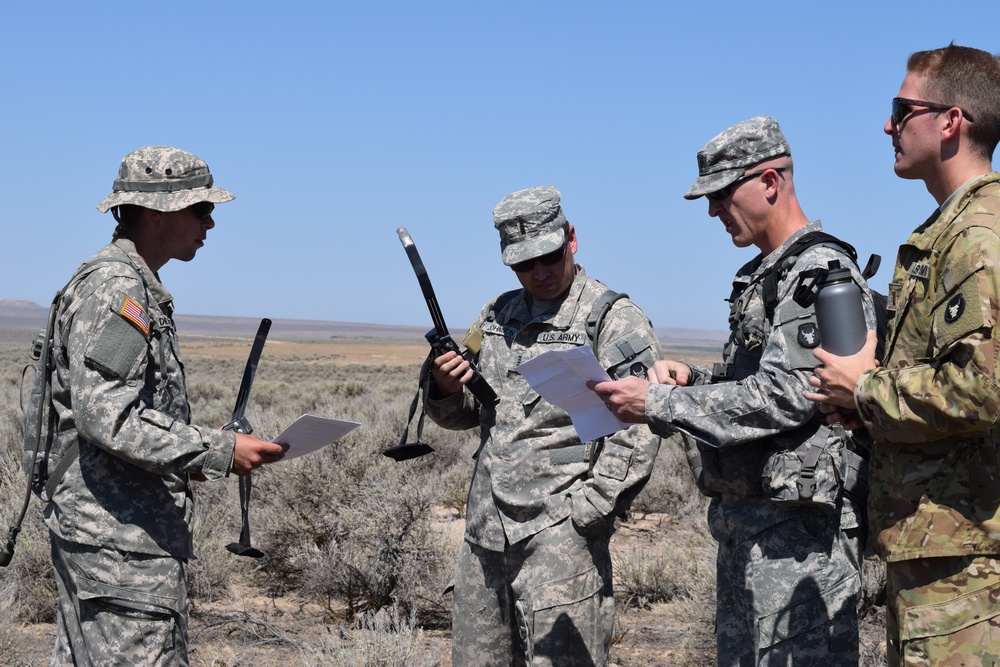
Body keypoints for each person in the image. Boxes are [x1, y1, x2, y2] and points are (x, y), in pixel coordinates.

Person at [590, 117, 876, 666]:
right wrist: (694, 381)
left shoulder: (817, 271)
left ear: (770, 182)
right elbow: (754, 382)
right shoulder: (766, 274)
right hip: (750, 526)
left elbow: (791, 395)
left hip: (800, 537)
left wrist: (657, 404)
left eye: (722, 195)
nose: (713, 211)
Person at [45, 145, 288, 665]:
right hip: (119, 543)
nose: (211, 222)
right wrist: (216, 450)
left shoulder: (130, 286)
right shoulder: (119, 291)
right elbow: (106, 414)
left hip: (110, 535)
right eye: (201, 209)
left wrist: (204, 444)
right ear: (158, 212)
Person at [804, 44, 1000, 666]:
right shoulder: (951, 230)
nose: (888, 125)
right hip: (940, 546)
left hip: (964, 561)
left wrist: (866, 390)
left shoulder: (976, 236)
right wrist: (863, 403)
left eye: (901, 108)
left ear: (950, 121)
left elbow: (983, 388)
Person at [424, 185, 661, 667]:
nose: (540, 273)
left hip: (559, 538)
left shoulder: (612, 320)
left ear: (571, 239)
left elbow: (642, 426)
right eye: (524, 265)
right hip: (485, 535)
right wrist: (444, 387)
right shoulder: (497, 315)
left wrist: (587, 514)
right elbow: (470, 414)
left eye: (549, 257)